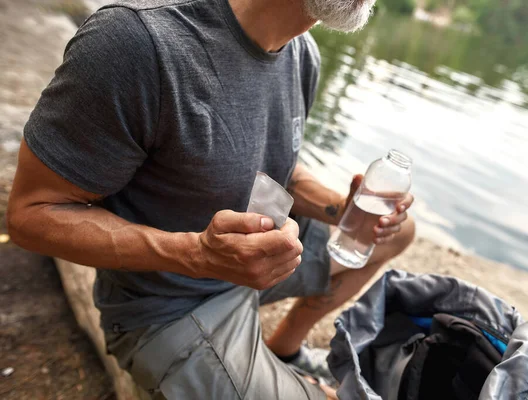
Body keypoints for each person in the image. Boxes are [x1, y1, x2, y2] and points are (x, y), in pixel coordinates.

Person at [7, 0, 415, 397]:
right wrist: (197, 255)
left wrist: (341, 211)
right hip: (164, 309)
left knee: (396, 232)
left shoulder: (302, 53)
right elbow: (31, 215)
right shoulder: (137, 40)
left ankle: (284, 348)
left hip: (248, 271)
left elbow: (274, 164)